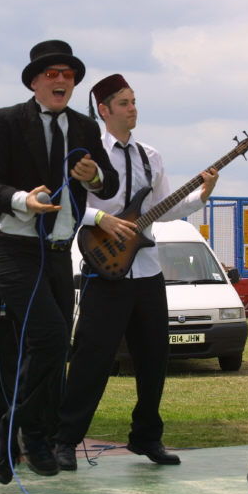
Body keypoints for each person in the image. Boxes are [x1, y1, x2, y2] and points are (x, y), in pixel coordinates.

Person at [53, 74, 218, 471]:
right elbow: (67, 204)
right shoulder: (87, 156)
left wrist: (202, 195)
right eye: (124, 103)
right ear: (104, 110)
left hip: (147, 271)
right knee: (92, 359)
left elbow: (164, 207)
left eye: (134, 101)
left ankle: (146, 437)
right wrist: (102, 219)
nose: (133, 109)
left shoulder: (151, 156)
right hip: (104, 268)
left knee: (154, 358)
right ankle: (65, 440)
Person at [0, 40, 119, 484]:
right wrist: (25, 200)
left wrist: (94, 175)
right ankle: (20, 429)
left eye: (68, 75)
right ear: (34, 82)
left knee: (52, 351)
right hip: (13, 249)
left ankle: (27, 434)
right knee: (52, 337)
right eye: (52, 74)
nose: (61, 80)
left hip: (58, 254)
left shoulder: (84, 126)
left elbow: (110, 183)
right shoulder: (5, 121)